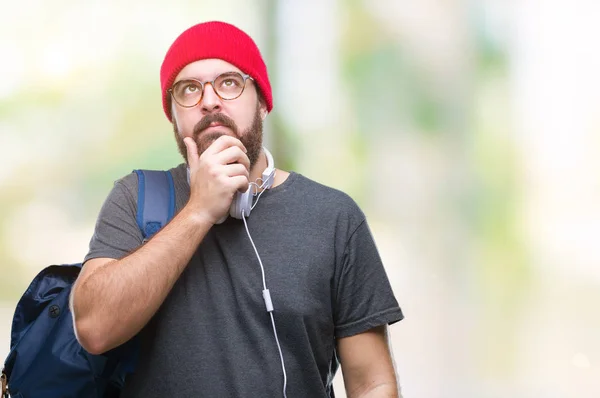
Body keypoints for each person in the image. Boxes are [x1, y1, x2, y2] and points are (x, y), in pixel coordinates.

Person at [70, 21, 404, 398]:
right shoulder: (134, 198)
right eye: (189, 89)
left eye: (229, 82)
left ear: (262, 102)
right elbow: (94, 329)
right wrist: (198, 211)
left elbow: (372, 383)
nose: (209, 101)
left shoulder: (333, 217)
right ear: (174, 117)